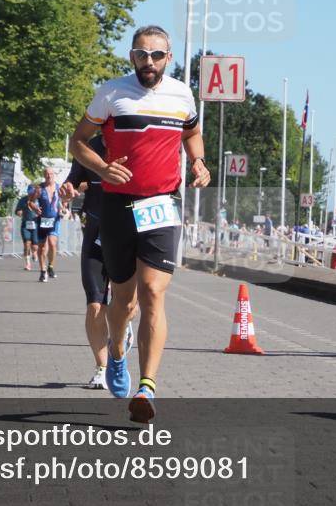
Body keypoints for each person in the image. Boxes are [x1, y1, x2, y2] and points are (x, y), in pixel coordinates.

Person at [70, 24, 210, 423]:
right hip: (117, 206)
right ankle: (116, 352)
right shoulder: (111, 92)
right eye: (141, 54)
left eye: (157, 55)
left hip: (162, 204)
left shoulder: (182, 94)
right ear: (131, 56)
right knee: (124, 300)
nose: (149, 62)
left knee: (153, 292)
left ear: (170, 58)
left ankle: (147, 387)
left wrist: (198, 161)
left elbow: (193, 132)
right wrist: (101, 167)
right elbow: (78, 141)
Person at [60, 134, 133, 390]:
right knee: (94, 305)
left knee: (127, 306)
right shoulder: (91, 145)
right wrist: (68, 187)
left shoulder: (134, 140)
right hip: (96, 233)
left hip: (127, 234)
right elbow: (73, 179)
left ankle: (120, 332)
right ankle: (102, 368)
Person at [33, 167, 66, 283]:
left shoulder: (59, 188)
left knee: (52, 243)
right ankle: (42, 271)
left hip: (54, 220)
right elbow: (30, 201)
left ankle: (50, 266)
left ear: (54, 175)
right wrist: (35, 208)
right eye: (47, 174)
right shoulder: (39, 188)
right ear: (44, 175)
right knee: (42, 247)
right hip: (42, 220)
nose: (49, 176)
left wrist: (63, 209)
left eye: (51, 174)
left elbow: (63, 201)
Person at [15, 185, 40, 271]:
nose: (30, 195)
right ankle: (28, 264)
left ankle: (35, 252)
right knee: (26, 244)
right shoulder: (23, 200)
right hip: (25, 225)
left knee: (35, 246)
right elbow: (17, 211)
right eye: (29, 193)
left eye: (32, 193)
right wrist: (19, 212)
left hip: (36, 225)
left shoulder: (38, 201)